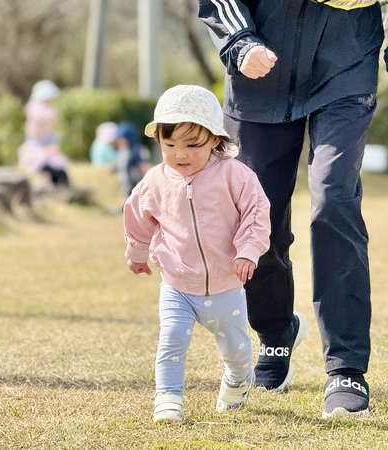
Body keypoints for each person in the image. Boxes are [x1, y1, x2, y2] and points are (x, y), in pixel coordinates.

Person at [198, 0, 388, 418]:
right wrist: (240, 41)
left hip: (346, 65)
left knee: (333, 200)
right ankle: (275, 331)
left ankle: (346, 368)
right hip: (260, 73)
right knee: (254, 215)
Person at [123, 85, 271, 424]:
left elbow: (256, 213)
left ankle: (238, 379)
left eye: (193, 145)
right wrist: (137, 251)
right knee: (171, 338)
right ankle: (168, 398)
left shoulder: (234, 175)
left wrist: (248, 250)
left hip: (225, 284)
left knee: (235, 349)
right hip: (177, 283)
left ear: (215, 140)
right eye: (170, 145)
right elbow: (138, 215)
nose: (180, 154)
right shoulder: (155, 181)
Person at [18, 80, 69, 187]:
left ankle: (51, 183)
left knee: (55, 163)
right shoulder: (36, 107)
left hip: (46, 143)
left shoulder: (45, 108)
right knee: (40, 162)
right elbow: (42, 116)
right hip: (36, 144)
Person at [113, 121, 151, 201]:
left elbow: (143, 164)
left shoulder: (137, 150)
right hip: (124, 181)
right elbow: (119, 164)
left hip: (134, 181)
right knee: (125, 197)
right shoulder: (122, 150)